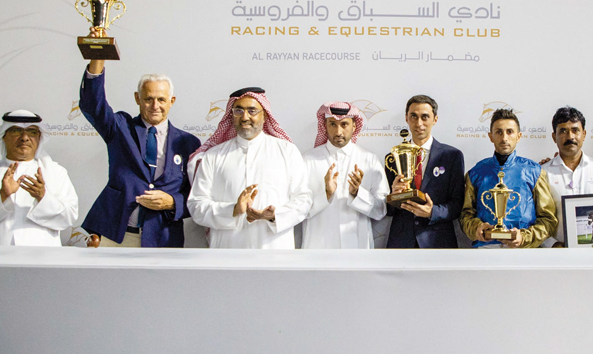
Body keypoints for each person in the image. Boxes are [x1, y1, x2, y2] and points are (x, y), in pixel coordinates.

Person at [80, 52, 200, 247]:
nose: (155, 106)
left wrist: (173, 202)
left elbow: (199, 194)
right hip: (117, 236)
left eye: (161, 99)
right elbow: (93, 105)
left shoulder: (188, 143)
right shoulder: (120, 128)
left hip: (163, 237)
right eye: (148, 99)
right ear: (137, 98)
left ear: (172, 101)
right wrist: (98, 56)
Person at [188, 87, 312, 249]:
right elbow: (196, 206)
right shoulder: (213, 156)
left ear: (265, 115)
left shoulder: (286, 151)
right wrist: (232, 210)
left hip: (274, 251)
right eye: (238, 111)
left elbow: (303, 199)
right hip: (227, 252)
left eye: (252, 111)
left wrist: (275, 215)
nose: (245, 117)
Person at [0, 110, 78, 245]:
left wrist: (43, 197)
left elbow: (69, 218)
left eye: (32, 132)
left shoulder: (56, 173)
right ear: (4, 136)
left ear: (40, 138)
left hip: (43, 260)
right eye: (16, 131)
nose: (24, 138)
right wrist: (1, 196)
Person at [460, 108, 557, 248]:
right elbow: (465, 215)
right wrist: (476, 228)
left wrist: (524, 237)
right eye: (499, 132)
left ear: (518, 136)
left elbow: (548, 220)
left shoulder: (534, 171)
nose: (504, 138)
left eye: (509, 132)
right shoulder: (476, 173)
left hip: (524, 251)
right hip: (485, 249)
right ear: (490, 136)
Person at [302, 101, 389, 248]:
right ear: (324, 125)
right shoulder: (308, 160)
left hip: (357, 247)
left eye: (344, 124)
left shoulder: (369, 159)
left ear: (354, 126)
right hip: (318, 248)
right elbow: (298, 210)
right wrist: (326, 194)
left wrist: (357, 194)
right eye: (333, 124)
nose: (338, 132)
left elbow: (381, 211)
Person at [385, 95, 465, 248]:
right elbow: (387, 210)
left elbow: (457, 205)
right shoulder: (393, 156)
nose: (419, 123)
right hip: (401, 242)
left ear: (435, 119)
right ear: (406, 118)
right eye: (413, 116)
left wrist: (432, 212)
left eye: (425, 117)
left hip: (438, 241)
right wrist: (393, 196)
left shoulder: (452, 156)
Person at [540, 106, 593, 247]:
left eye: (575, 130)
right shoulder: (542, 173)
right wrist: (551, 244)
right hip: (557, 255)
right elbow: (537, 219)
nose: (570, 136)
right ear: (554, 136)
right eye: (563, 131)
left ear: (584, 134)